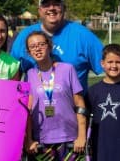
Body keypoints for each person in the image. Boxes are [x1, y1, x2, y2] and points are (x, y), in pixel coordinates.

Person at [10, 0, 120, 99]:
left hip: (72, 115)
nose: (51, 8)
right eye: (46, 5)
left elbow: (110, 63)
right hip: (35, 115)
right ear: (39, 10)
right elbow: (13, 74)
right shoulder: (25, 37)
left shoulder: (82, 35)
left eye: (56, 4)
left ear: (64, 8)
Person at [25, 31, 86, 160]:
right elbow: (28, 111)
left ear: (49, 46)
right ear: (29, 51)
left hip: (69, 138)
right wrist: (29, 139)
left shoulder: (67, 69)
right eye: (33, 46)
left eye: (41, 44)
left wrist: (82, 136)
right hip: (41, 140)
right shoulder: (29, 74)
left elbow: (80, 104)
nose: (37, 49)